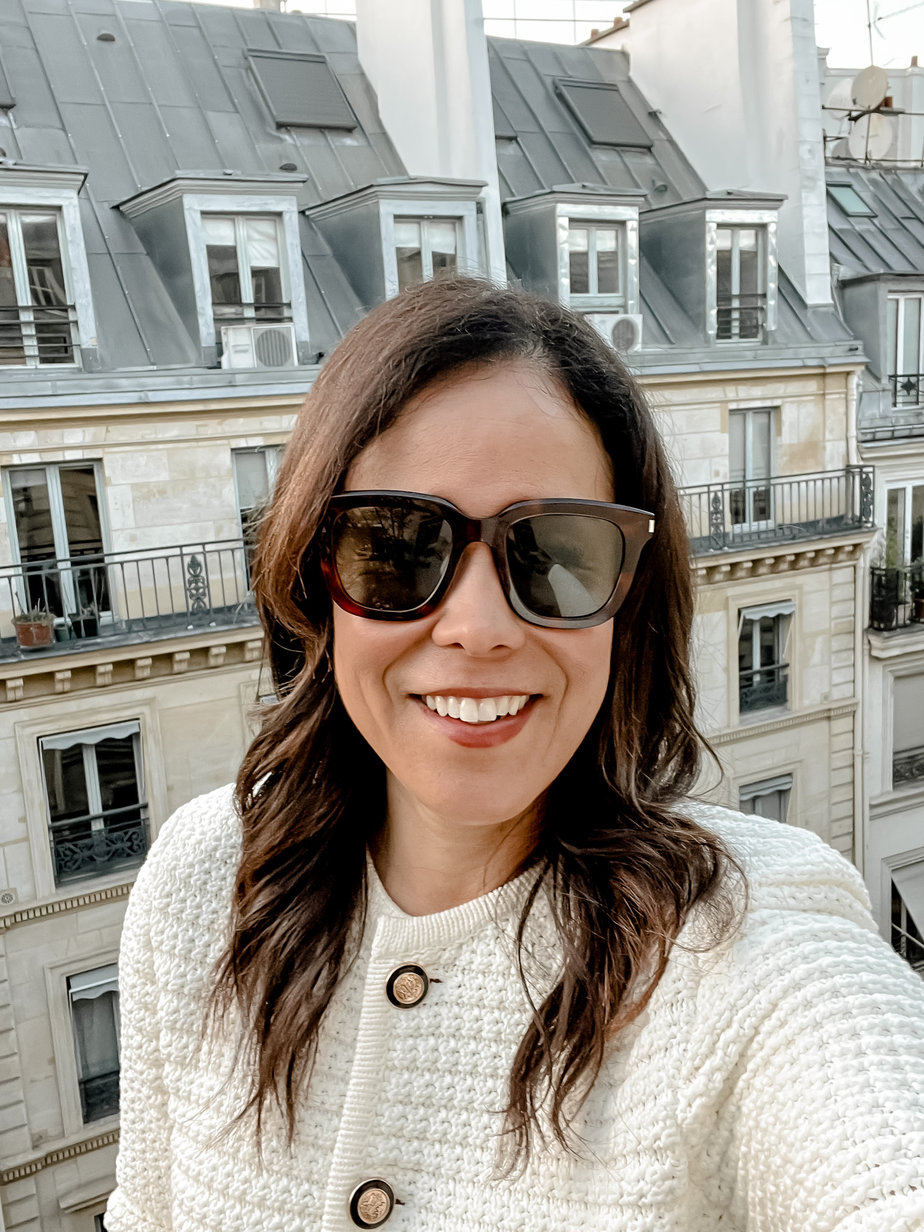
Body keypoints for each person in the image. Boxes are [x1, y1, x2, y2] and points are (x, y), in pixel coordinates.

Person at [106, 277, 924, 1232]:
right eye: (396, 546)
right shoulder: (204, 881)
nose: (479, 627)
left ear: (630, 600)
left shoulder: (742, 939)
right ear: (314, 574)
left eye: (558, 551)